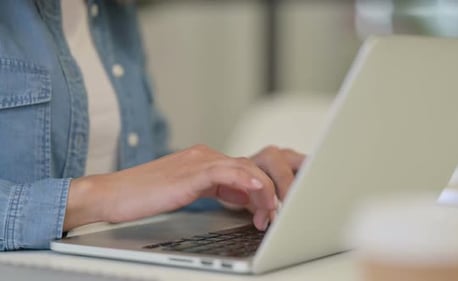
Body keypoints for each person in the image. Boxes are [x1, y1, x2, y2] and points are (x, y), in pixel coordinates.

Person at [0, 0, 304, 251]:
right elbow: (124, 188)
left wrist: (232, 183)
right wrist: (103, 194)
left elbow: (141, 173)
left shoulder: (113, 14)